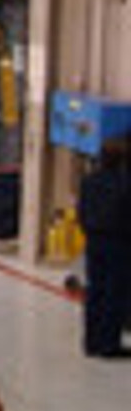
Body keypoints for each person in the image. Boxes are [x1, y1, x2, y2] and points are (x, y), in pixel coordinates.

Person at [81, 135, 131, 359]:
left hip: (94, 241)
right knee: (114, 294)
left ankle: (91, 342)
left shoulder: (89, 181)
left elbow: (82, 211)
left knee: (95, 292)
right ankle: (109, 344)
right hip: (118, 243)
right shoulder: (124, 183)